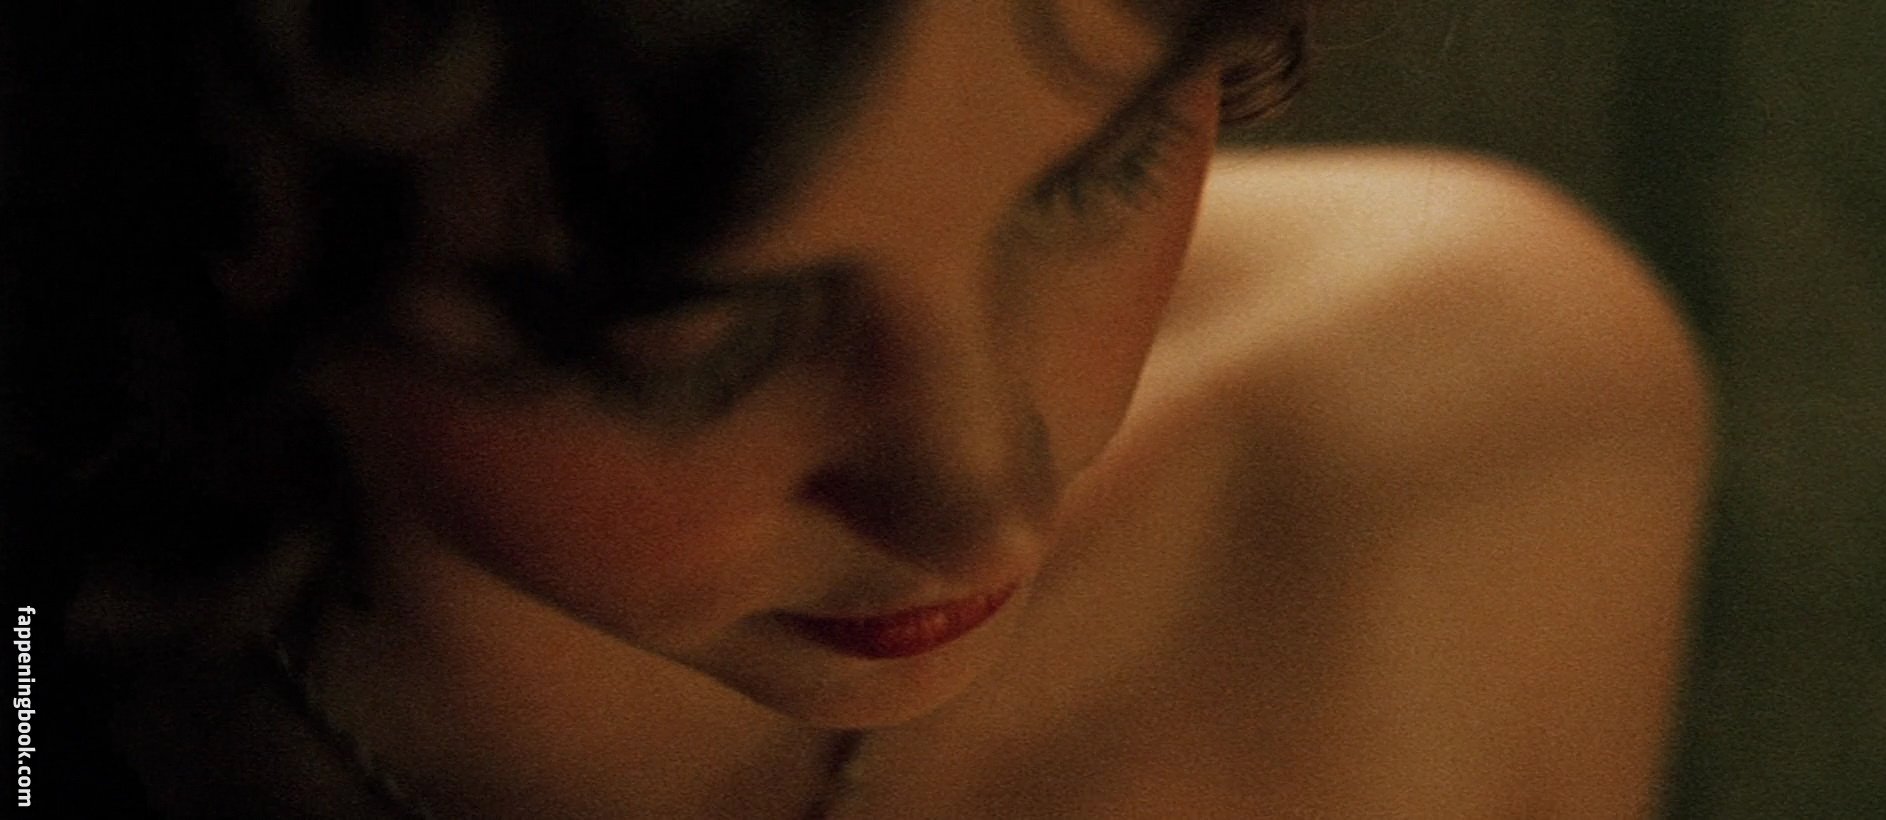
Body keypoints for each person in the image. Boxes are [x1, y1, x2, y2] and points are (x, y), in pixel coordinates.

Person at [1, 0, 1709, 816]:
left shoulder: (1462, 466)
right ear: (225, 211)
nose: (980, 492)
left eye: (1097, 171)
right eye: (705, 331)